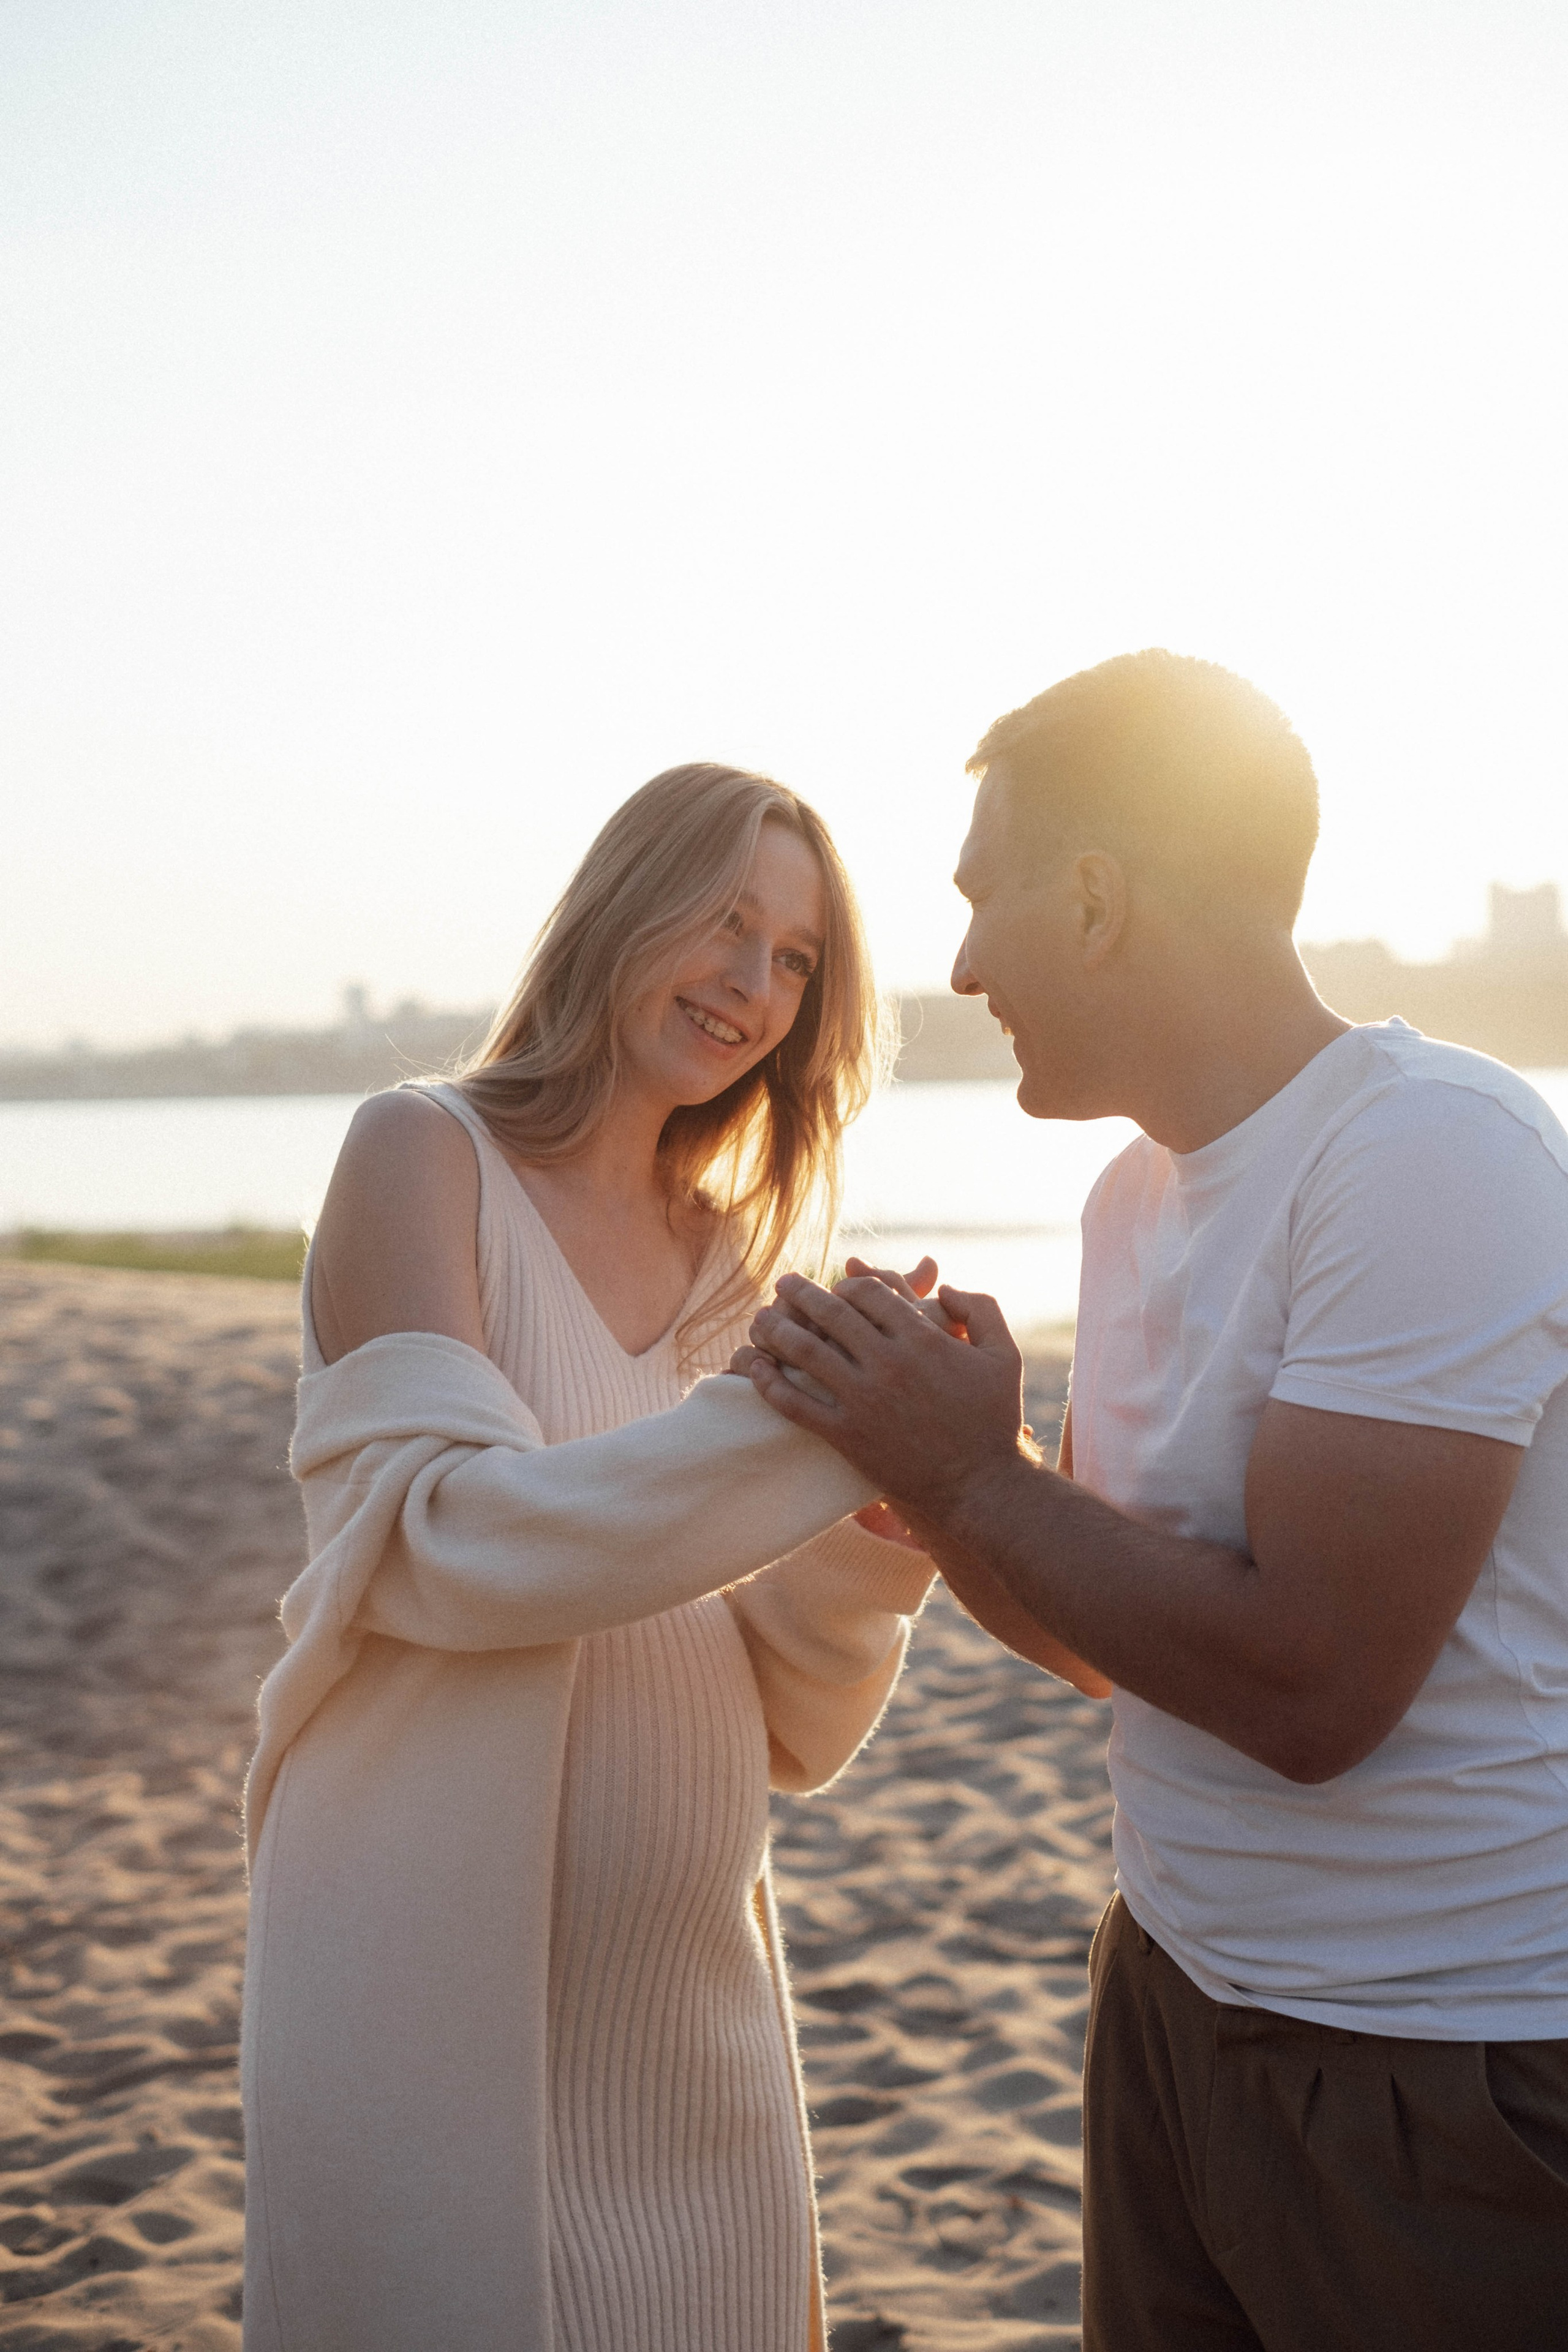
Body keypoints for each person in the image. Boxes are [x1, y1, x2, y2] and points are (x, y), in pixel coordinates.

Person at [737, 652, 1568, 2351]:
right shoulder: (1128, 1196)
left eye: (984, 901)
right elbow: (1118, 1650)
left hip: (1438, 2069)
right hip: (1170, 2003)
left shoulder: (1429, 1155)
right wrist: (957, 1493)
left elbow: (1313, 1687)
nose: (960, 968)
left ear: (1101, 898)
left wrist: (972, 1472)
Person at [239, 763, 935, 2352]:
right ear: (623, 905)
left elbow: (793, 1727)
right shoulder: (420, 1155)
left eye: (799, 961)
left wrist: (872, 1549)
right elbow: (445, 1547)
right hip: (427, 1998)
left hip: (694, 2026)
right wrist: (818, 1431)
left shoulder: (740, 1263)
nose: (755, 986)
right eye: (729, 922)